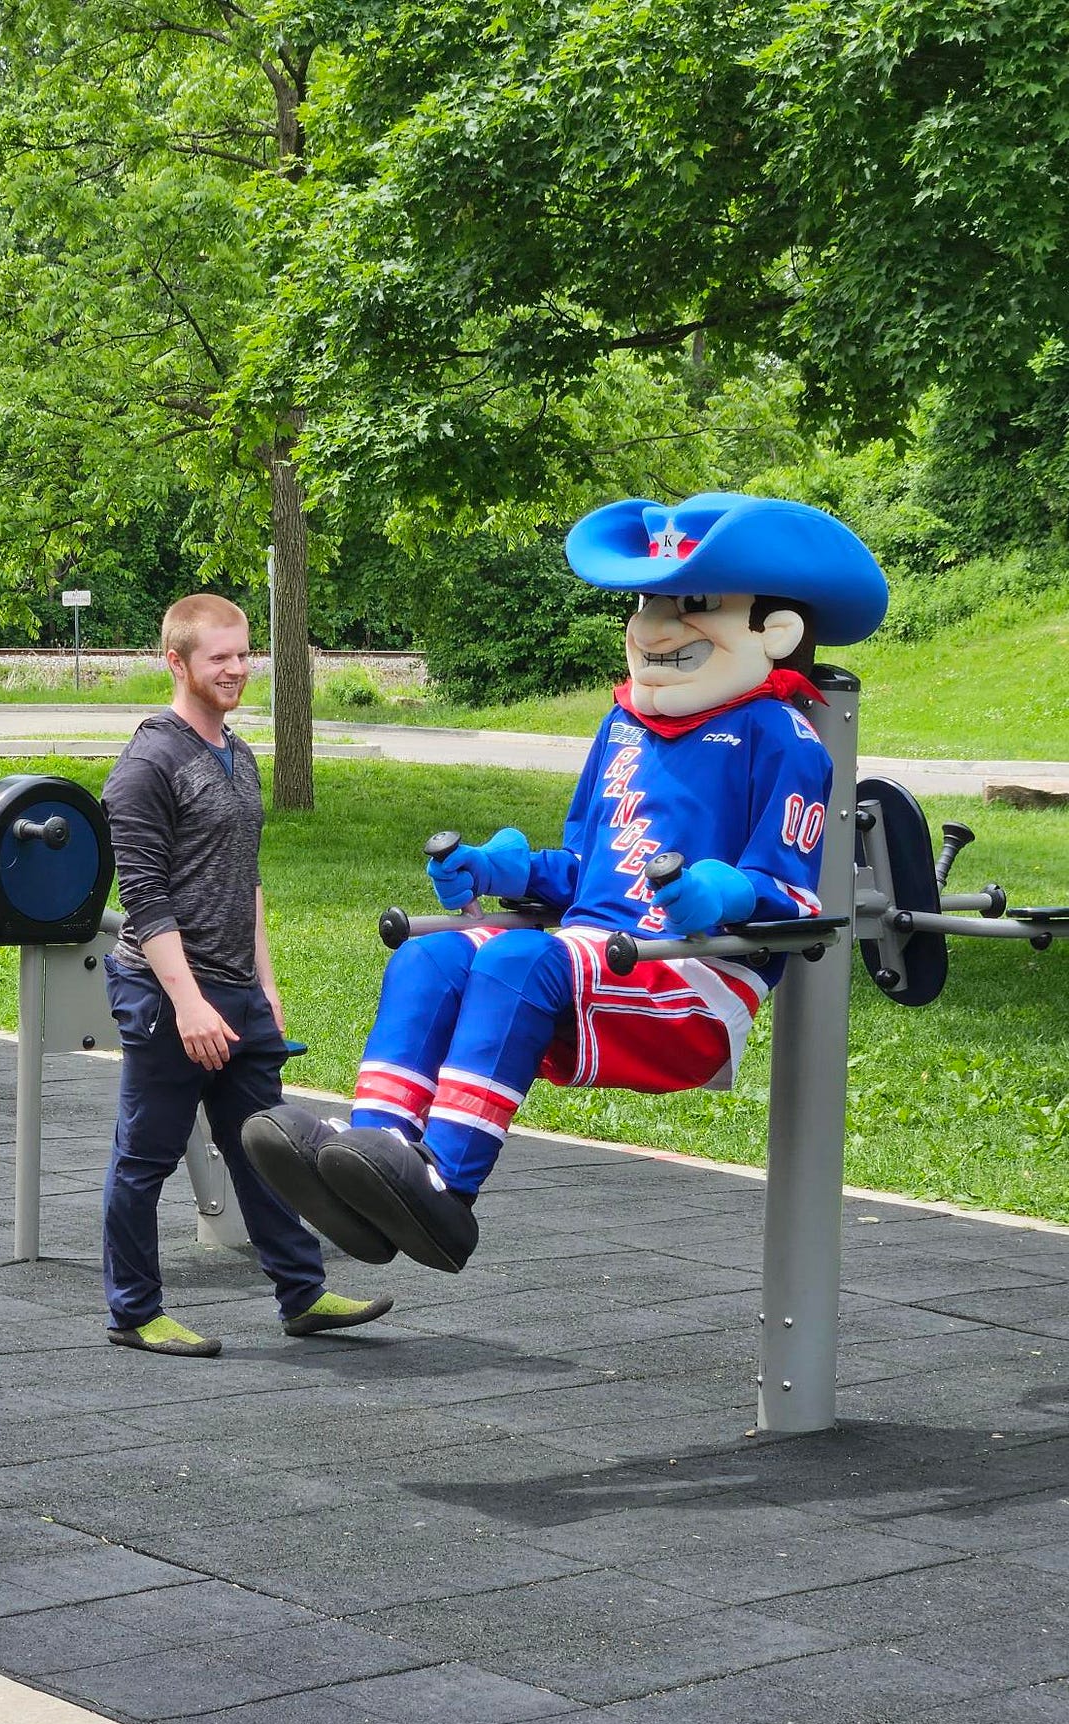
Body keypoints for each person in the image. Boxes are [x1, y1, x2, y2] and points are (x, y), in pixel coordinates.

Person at [242, 493, 888, 1275]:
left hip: (694, 981)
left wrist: (716, 894)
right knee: (430, 958)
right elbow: (585, 871)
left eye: (691, 603)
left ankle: (445, 1185)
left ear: (774, 630)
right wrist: (502, 868)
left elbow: (790, 896)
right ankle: (380, 1154)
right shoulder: (622, 727)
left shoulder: (782, 735)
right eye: (647, 601)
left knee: (517, 962)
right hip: (601, 954)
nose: (652, 627)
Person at [99, 592, 393, 1355]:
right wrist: (191, 1002)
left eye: (242, 653)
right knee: (147, 1156)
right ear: (176, 662)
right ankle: (133, 1311)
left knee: (263, 1146)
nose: (236, 668)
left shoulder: (240, 754)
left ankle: (302, 1295)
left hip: (234, 986)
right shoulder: (146, 765)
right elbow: (146, 898)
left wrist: (266, 982)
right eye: (218, 657)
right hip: (168, 992)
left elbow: (244, 876)